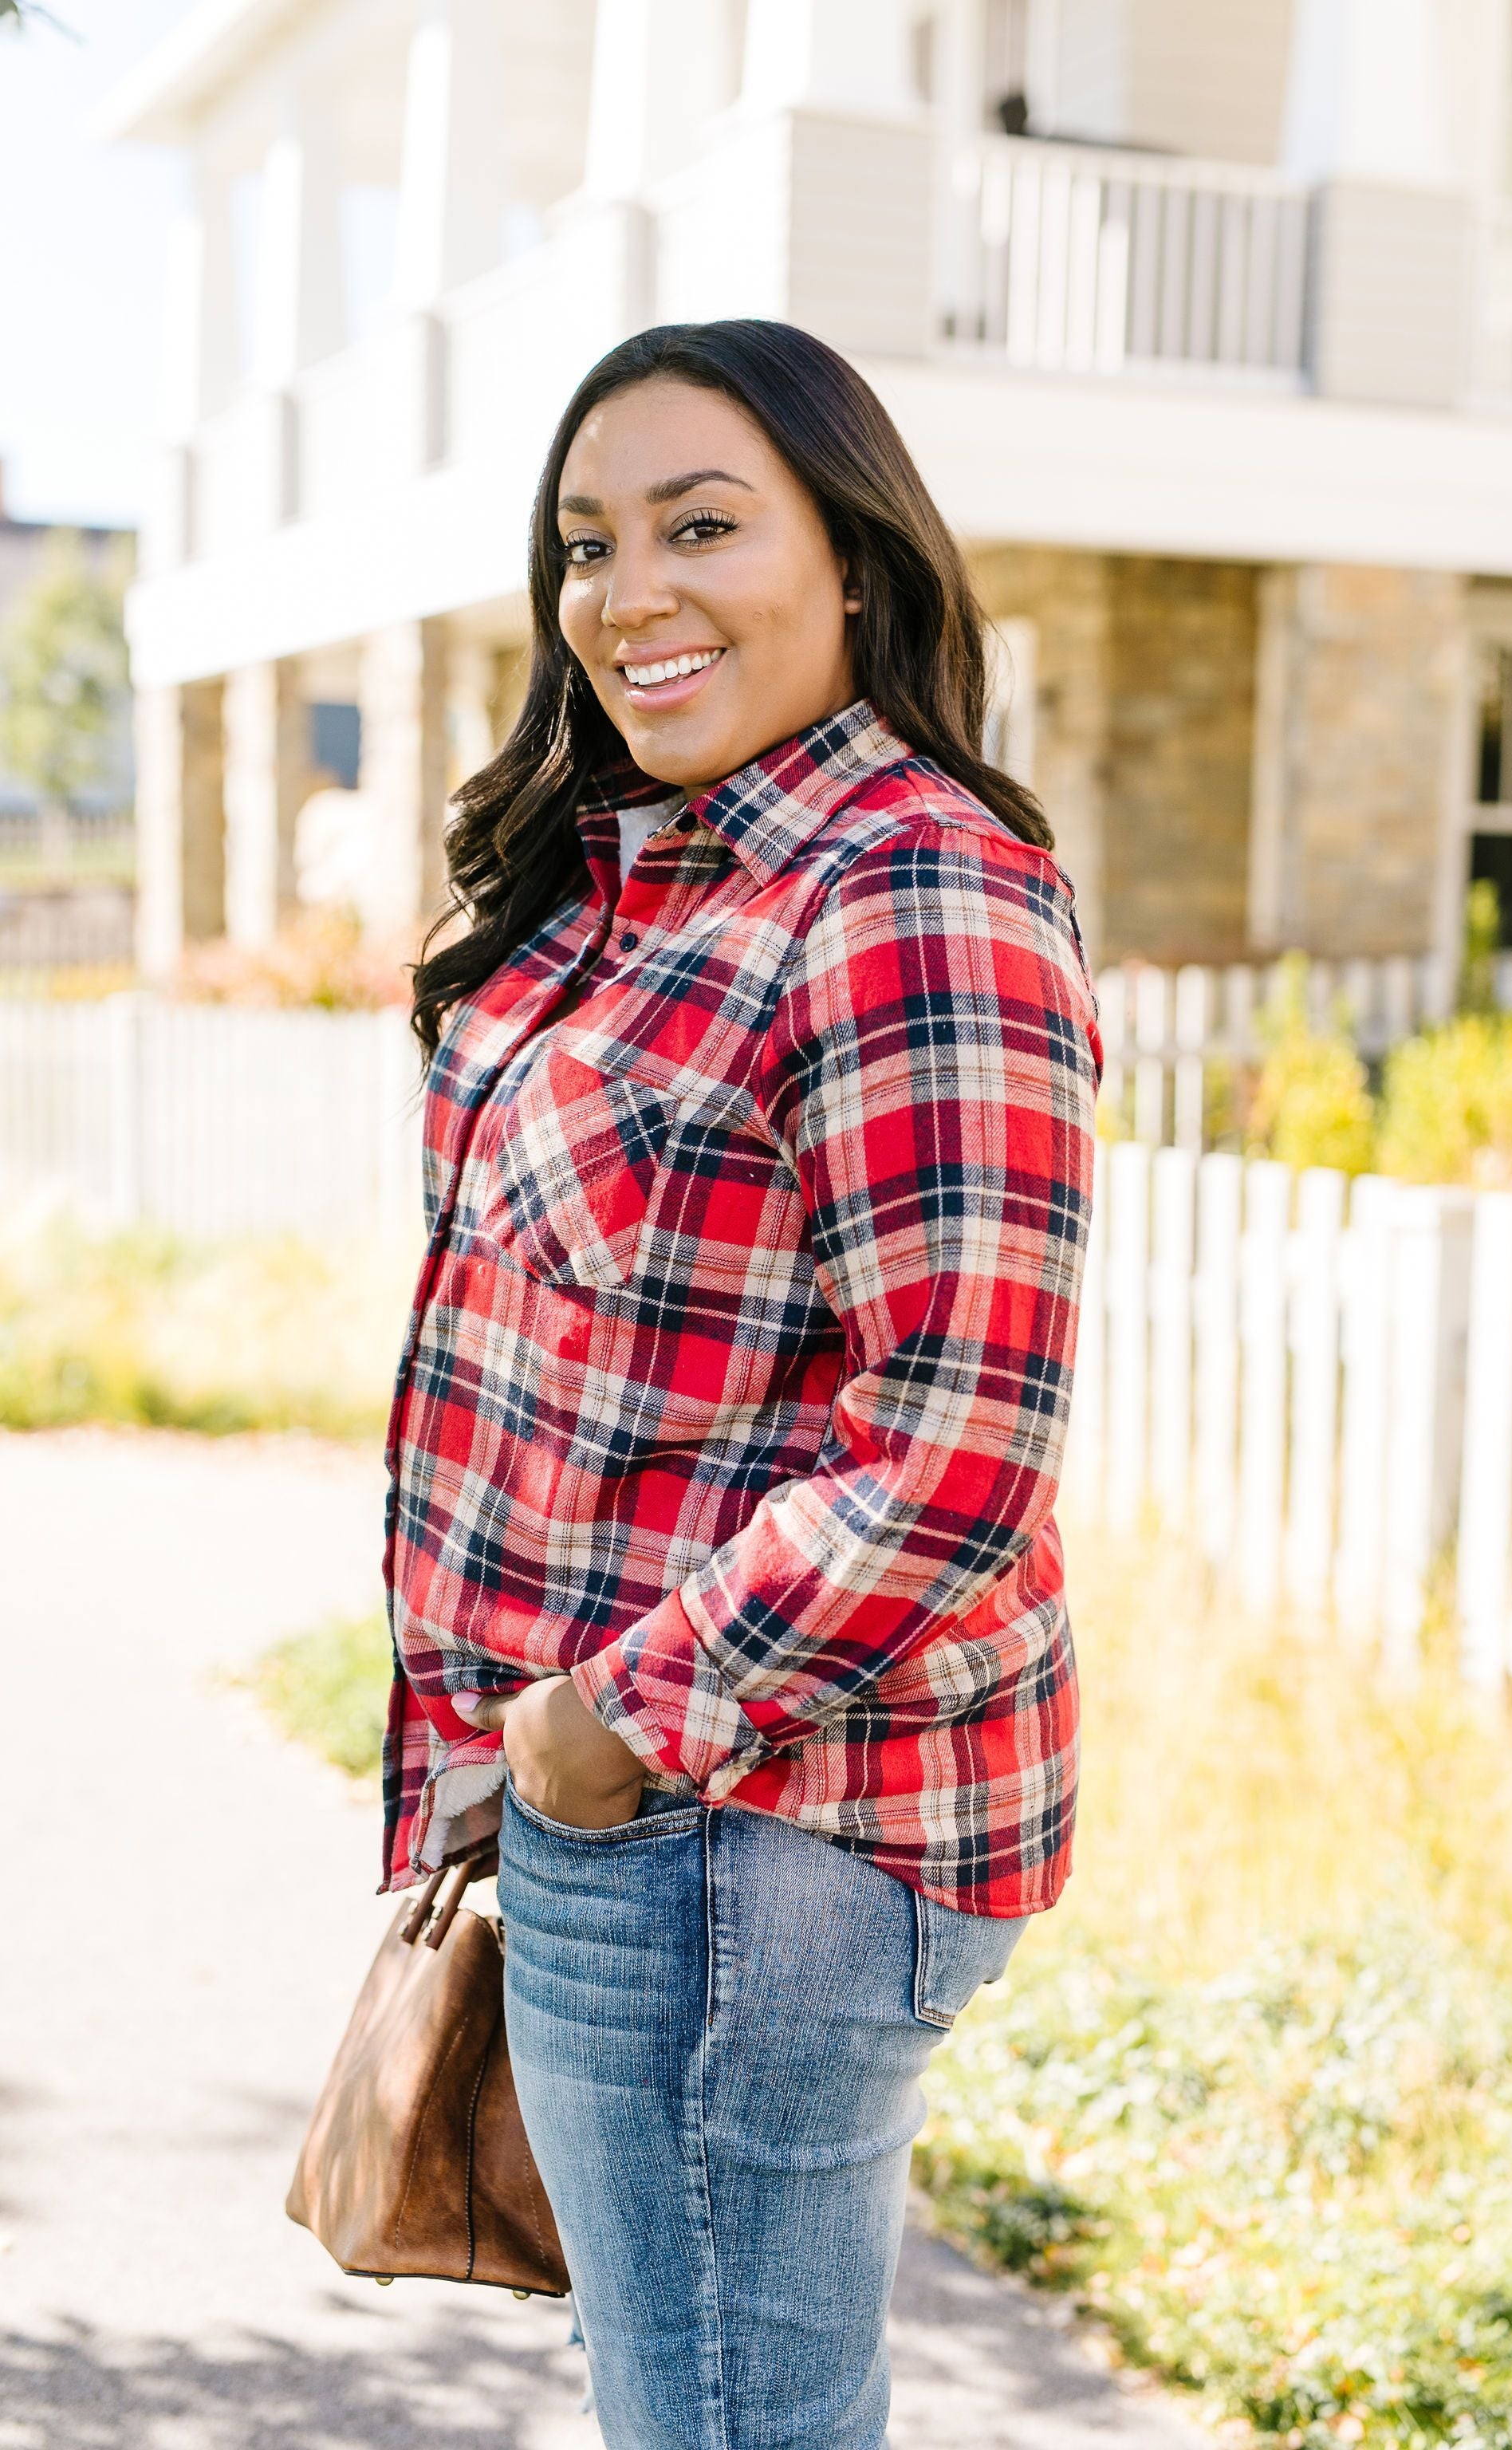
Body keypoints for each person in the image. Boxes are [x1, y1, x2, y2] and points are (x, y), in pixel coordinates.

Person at [386, 317, 1101, 2450]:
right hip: (637, 1821)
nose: (630, 593)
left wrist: (606, 1735)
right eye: (589, 543)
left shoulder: (908, 896)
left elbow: (960, 1441)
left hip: (745, 1833)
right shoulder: (659, 879)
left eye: (706, 524)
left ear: (856, 565)